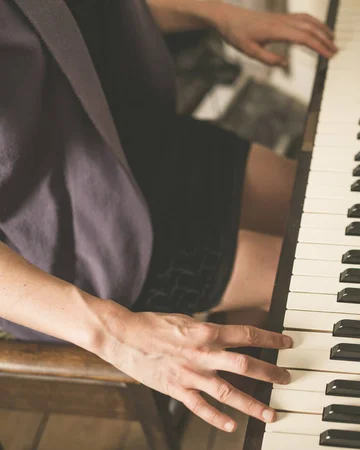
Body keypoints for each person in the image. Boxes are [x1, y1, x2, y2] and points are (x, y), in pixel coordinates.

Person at [0, 0, 336, 433]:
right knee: (323, 282)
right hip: (69, 243)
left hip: (130, 141)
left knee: (326, 193)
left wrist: (219, 14)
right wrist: (116, 334)